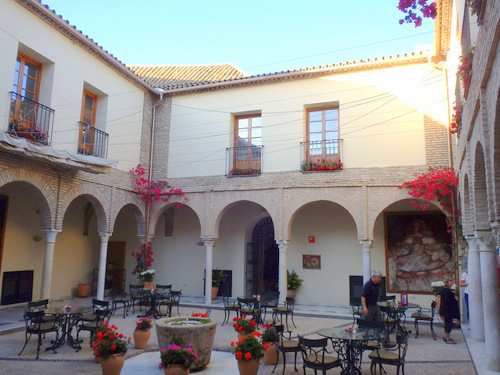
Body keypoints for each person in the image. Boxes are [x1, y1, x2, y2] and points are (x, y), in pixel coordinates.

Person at [437, 277, 460, 344]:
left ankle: (446, 336)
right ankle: (447, 338)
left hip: (447, 310)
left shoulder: (446, 290)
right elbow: (447, 301)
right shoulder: (446, 290)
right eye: (450, 281)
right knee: (448, 324)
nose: (452, 282)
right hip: (447, 310)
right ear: (447, 282)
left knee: (448, 323)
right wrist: (454, 299)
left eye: (452, 281)